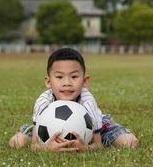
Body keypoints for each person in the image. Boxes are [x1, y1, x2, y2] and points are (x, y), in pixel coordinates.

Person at [9, 48, 138, 151]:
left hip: (97, 127)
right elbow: (34, 146)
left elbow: (97, 145)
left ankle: (102, 136)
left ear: (84, 81)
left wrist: (86, 148)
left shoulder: (88, 102)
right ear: (48, 82)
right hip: (47, 127)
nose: (67, 83)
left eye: (74, 76)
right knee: (16, 143)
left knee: (130, 142)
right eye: (59, 77)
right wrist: (46, 148)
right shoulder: (43, 102)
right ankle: (31, 130)